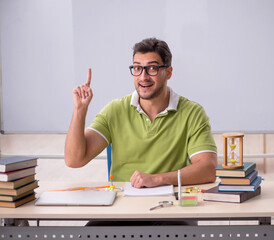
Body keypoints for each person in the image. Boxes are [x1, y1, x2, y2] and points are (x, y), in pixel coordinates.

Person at [64, 38, 217, 188]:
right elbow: (74, 160)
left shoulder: (192, 113)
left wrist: (157, 179)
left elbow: (207, 169)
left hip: (170, 206)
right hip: (124, 206)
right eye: (137, 68)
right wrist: (80, 110)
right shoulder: (115, 110)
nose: (143, 77)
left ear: (168, 72)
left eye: (152, 68)